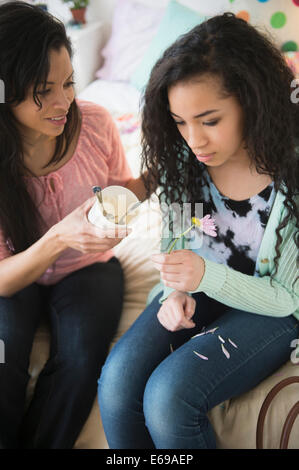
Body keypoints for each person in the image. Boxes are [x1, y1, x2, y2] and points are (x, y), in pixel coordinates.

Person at [98, 13, 299, 449]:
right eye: (180, 122)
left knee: (169, 398)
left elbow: (288, 296)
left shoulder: (290, 179)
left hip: (271, 309)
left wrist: (204, 277)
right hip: (199, 291)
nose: (195, 140)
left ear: (253, 100)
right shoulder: (185, 164)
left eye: (209, 120)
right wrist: (173, 295)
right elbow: (175, 242)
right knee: (115, 384)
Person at [0, 1, 147, 449]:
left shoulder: (97, 123)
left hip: (88, 266)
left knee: (83, 360)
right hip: (15, 275)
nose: (64, 103)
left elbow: (122, 187)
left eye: (69, 83)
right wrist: (61, 235)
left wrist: (159, 174)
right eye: (44, 90)